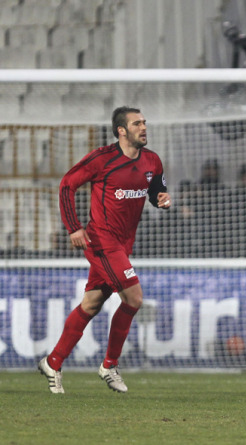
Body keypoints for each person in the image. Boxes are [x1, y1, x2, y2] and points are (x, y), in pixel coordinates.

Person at [38, 106, 172, 394]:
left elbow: (155, 189)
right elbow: (66, 186)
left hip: (124, 244)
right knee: (134, 298)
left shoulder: (152, 160)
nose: (144, 127)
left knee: (91, 304)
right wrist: (74, 227)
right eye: (137, 123)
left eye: (145, 122)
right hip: (101, 240)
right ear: (121, 130)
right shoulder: (102, 159)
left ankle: (53, 362)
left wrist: (161, 198)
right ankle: (109, 365)